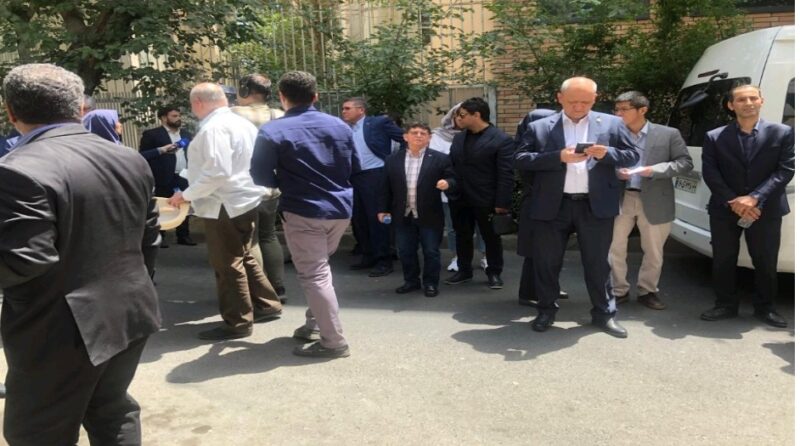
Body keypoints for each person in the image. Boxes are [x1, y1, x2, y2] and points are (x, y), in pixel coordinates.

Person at [0, 63, 161, 445]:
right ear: (78, 108)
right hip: (130, 310)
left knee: (37, 431)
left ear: (10, 111)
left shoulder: (17, 169)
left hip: (59, 329)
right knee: (111, 409)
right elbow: (149, 237)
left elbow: (23, 260)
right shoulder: (128, 158)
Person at [514, 76, 638, 338]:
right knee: (547, 262)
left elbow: (632, 155)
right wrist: (558, 157)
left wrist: (607, 154)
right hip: (553, 206)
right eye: (572, 102)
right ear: (559, 98)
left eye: (585, 101)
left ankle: (604, 314)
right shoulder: (539, 127)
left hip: (595, 206)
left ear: (595, 99)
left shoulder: (613, 123)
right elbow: (520, 159)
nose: (579, 107)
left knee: (598, 264)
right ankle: (546, 310)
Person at [251, 71, 358, 359]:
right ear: (315, 96)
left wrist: (285, 182)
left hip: (304, 210)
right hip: (339, 209)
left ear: (282, 97)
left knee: (315, 275)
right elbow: (355, 167)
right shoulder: (340, 126)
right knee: (320, 271)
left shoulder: (273, 131)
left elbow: (259, 174)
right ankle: (315, 324)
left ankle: (334, 342)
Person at [168, 83, 282, 341]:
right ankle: (266, 304)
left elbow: (217, 172)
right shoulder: (238, 122)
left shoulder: (214, 128)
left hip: (224, 204)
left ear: (198, 103)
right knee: (244, 255)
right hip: (242, 198)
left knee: (227, 263)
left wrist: (186, 195)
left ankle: (237, 322)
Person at [699, 84, 794, 328]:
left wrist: (754, 198)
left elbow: (785, 170)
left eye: (753, 98)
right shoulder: (714, 136)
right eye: (741, 100)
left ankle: (765, 308)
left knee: (765, 260)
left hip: (766, 209)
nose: (748, 103)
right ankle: (725, 304)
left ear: (761, 101)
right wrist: (734, 201)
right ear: (731, 105)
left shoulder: (782, 132)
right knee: (723, 258)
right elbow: (711, 173)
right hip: (725, 208)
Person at [609, 91, 693, 310]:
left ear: (642, 110)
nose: (618, 114)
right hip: (621, 196)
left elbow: (684, 163)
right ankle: (618, 290)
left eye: (624, 109)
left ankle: (647, 290)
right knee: (614, 247)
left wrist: (653, 170)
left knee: (654, 250)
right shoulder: (612, 134)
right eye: (616, 109)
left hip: (656, 197)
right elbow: (602, 162)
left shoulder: (668, 134)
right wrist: (616, 172)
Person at [379, 123, 458, 298]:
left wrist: (447, 183)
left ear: (429, 138)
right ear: (405, 137)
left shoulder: (440, 159)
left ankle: (430, 283)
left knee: (431, 251)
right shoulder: (392, 160)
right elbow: (385, 187)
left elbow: (453, 178)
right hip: (402, 214)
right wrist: (383, 209)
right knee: (405, 251)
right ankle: (411, 281)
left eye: (423, 133)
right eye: (414, 132)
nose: (419, 136)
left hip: (430, 214)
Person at [445, 97, 514, 289]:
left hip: (487, 199)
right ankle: (464, 270)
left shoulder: (501, 139)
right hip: (460, 198)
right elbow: (452, 165)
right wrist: (450, 186)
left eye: (462, 115)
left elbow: (506, 174)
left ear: (476, 115)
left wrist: (502, 203)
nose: (458, 119)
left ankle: (494, 272)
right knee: (462, 236)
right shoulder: (459, 138)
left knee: (491, 237)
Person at [231, 73, 288, 300]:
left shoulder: (231, 115)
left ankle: (260, 291)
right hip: (271, 186)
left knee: (250, 240)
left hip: (243, 187)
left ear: (244, 90)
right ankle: (278, 287)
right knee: (268, 235)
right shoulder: (279, 115)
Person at [341, 97, 404, 277]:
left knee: (377, 218)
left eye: (347, 108)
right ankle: (368, 255)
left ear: (361, 110)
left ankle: (384, 260)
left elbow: (404, 137)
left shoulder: (378, 123)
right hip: (353, 177)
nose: (343, 112)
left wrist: (396, 161)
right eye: (343, 109)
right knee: (359, 218)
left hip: (375, 175)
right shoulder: (345, 128)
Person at [429, 103, 488, 273]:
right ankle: (457, 257)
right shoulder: (437, 136)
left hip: (476, 189)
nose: (461, 119)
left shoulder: (478, 134)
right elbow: (435, 161)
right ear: (452, 116)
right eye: (459, 115)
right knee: (453, 227)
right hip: (450, 189)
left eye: (465, 115)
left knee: (482, 226)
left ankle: (486, 256)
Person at [139, 106, 196, 247]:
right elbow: (142, 156)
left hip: (183, 175)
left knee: (183, 204)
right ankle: (160, 236)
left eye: (179, 116)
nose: (178, 119)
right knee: (162, 206)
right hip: (163, 176)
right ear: (164, 118)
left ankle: (183, 235)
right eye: (174, 116)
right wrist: (162, 150)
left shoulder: (186, 134)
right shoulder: (152, 134)